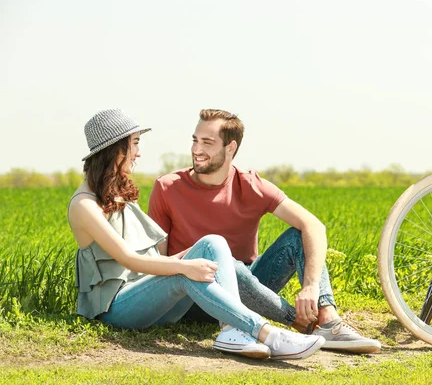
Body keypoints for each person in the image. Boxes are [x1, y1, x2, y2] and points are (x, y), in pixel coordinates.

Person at [68, 108, 325, 361]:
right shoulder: (84, 205)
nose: (138, 152)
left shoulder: (115, 194)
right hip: (117, 306)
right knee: (185, 272)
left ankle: (232, 330)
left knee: (212, 243)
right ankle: (267, 333)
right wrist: (185, 265)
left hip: (146, 290)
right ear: (115, 149)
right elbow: (129, 260)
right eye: (134, 144)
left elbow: (149, 257)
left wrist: (195, 255)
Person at [148, 109, 381, 354]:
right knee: (221, 261)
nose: (196, 149)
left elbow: (314, 226)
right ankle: (297, 320)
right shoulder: (167, 187)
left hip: (250, 289)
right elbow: (160, 263)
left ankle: (328, 320)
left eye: (207, 142)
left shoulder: (250, 185)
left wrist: (311, 287)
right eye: (195, 140)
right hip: (195, 295)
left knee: (297, 236)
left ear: (230, 148)